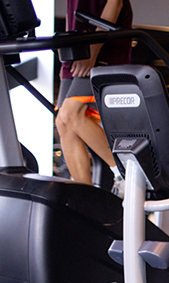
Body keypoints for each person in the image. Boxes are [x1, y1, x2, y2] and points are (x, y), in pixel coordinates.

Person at [55, 0, 132, 185]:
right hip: (78, 48)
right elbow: (72, 13)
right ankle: (85, 195)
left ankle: (124, 173)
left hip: (99, 48)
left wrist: (93, 51)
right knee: (63, 122)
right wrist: (65, 56)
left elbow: (116, 3)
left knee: (72, 114)